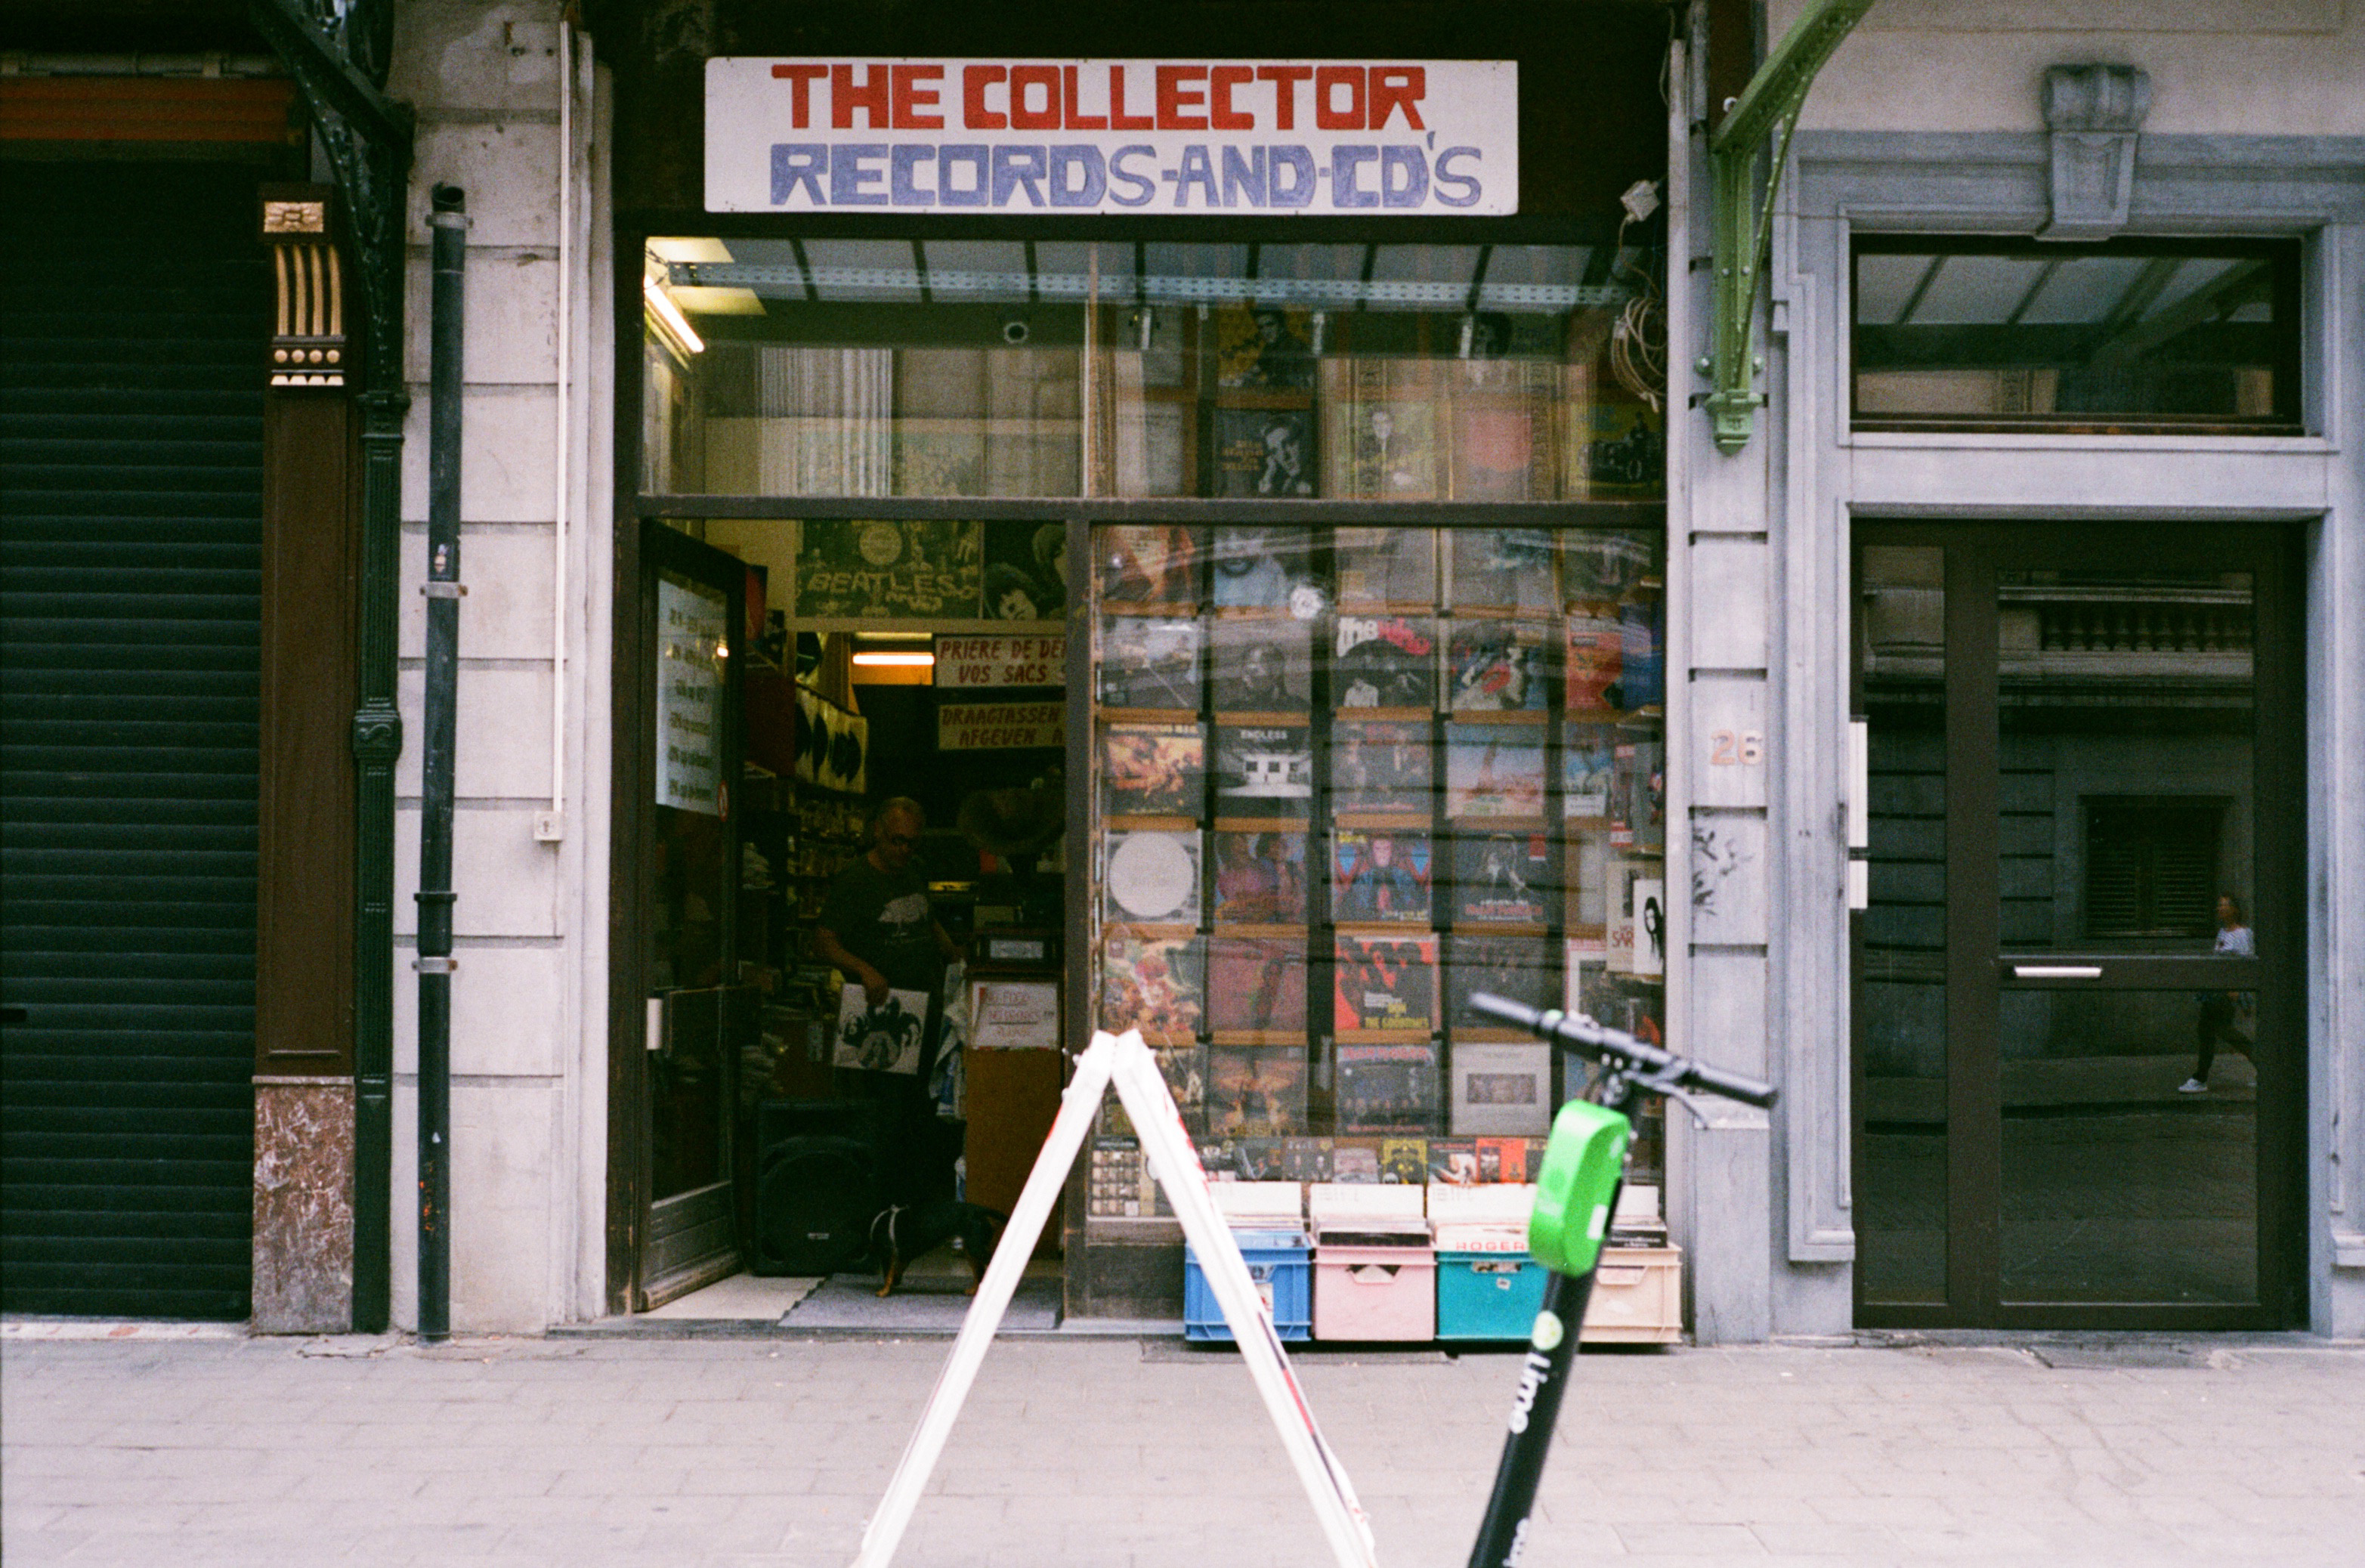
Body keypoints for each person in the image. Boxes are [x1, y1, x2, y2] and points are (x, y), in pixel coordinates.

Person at [815, 798, 965, 1199]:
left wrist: (955, 954)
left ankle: (915, 1198)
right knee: (884, 1113)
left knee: (920, 1109)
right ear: (878, 832)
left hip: (924, 1007)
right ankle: (881, 1201)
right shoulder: (854, 881)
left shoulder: (913, 872)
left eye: (911, 843)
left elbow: (928, 920)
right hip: (879, 1016)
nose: (903, 850)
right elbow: (824, 939)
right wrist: (862, 969)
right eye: (897, 841)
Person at [2182, 893, 2255, 1094]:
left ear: (2235, 910)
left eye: (2224, 906)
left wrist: (2237, 992)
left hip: (2226, 992)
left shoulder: (2242, 934)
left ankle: (2200, 1078)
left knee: (2217, 1032)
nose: (2220, 909)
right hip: (2216, 990)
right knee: (2214, 1032)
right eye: (2219, 906)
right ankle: (2200, 1078)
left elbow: (2245, 965)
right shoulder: (2222, 932)